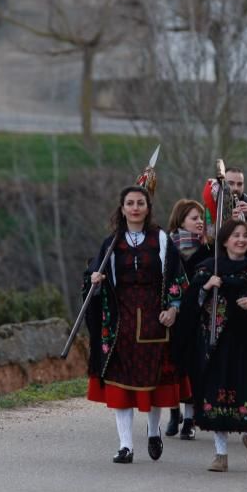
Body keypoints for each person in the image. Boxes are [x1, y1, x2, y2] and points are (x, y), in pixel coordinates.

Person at [83, 185, 190, 464]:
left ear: (147, 207)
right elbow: (96, 275)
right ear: (122, 209)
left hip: (154, 319)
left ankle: (153, 431)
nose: (134, 208)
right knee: (121, 383)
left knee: (152, 381)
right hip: (120, 321)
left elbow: (178, 277)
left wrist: (173, 309)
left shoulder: (161, 240)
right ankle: (126, 445)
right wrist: (95, 281)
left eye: (140, 203)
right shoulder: (111, 243)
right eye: (129, 203)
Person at [181, 220, 247, 472]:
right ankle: (220, 454)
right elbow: (190, 306)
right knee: (216, 392)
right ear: (224, 240)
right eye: (235, 235)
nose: (241, 240)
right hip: (216, 341)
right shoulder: (207, 269)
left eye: (245, 236)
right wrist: (205, 288)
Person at [163, 199, 212, 440]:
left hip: (198, 314)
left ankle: (190, 419)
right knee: (173, 366)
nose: (200, 222)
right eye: (194, 218)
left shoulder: (208, 249)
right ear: (181, 220)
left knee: (193, 366)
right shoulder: (167, 247)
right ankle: (174, 413)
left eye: (201, 218)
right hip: (173, 314)